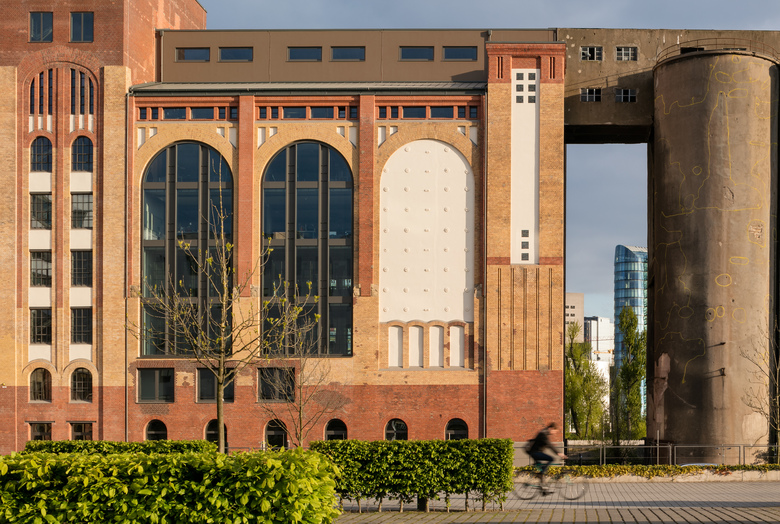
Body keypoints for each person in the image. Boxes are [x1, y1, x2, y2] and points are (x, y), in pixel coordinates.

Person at [525, 422, 567, 493]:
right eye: (554, 431)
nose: (554, 433)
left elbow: (544, 443)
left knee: (541, 470)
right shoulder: (543, 434)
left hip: (535, 452)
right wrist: (559, 453)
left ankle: (543, 489)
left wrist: (552, 445)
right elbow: (548, 444)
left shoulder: (544, 433)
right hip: (535, 453)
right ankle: (541, 473)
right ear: (551, 429)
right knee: (551, 459)